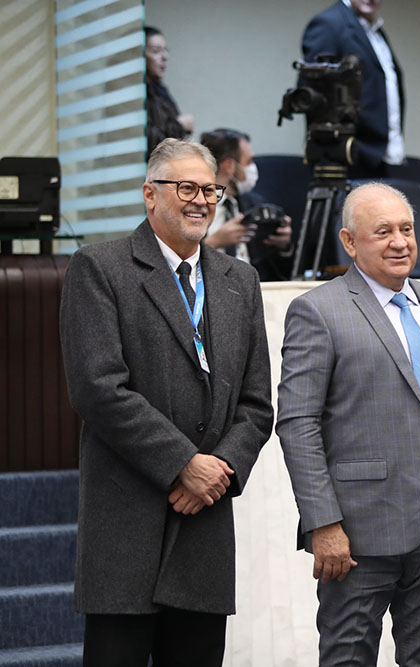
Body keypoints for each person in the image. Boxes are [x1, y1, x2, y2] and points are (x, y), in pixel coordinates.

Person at [59, 138, 273, 666]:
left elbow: (256, 404)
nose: (201, 200)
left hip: (205, 522)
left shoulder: (240, 280)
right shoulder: (100, 267)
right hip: (127, 523)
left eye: (210, 190)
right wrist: (183, 464)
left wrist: (217, 471)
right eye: (186, 188)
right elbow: (98, 388)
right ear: (149, 194)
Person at [276, 182, 420, 666]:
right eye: (383, 232)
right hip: (357, 533)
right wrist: (323, 524)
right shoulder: (318, 310)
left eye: (407, 229)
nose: (400, 242)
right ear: (349, 241)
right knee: (348, 658)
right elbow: (297, 424)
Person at [301, 0, 404, 178]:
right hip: (346, 154)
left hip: (377, 154)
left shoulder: (374, 30)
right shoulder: (329, 23)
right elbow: (312, 92)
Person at [199, 128, 293, 280]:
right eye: (249, 162)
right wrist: (213, 243)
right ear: (229, 166)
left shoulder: (255, 204)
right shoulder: (194, 206)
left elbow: (278, 271)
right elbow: (176, 262)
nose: (253, 168)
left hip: (256, 287)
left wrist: (284, 247)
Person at [144, 27, 194, 158]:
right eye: (156, 51)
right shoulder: (137, 93)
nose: (165, 57)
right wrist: (180, 125)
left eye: (165, 50)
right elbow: (149, 142)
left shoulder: (159, 90)